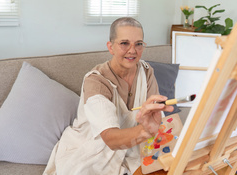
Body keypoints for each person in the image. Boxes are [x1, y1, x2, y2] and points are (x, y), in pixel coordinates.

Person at [43, 17, 173, 175]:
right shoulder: (96, 81)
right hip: (96, 147)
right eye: (124, 43)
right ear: (110, 47)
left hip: (134, 145)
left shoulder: (146, 71)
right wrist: (145, 130)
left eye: (138, 43)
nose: (132, 50)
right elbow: (109, 138)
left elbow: (154, 116)